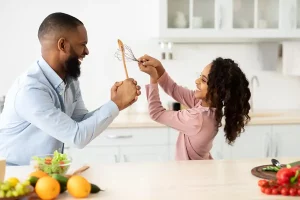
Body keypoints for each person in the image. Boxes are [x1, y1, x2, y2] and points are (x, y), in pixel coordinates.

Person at [0, 12, 141, 166]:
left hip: (46, 175)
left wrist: (115, 102)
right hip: (14, 177)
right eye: (82, 44)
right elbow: (77, 137)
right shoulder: (31, 90)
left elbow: (78, 121)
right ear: (62, 45)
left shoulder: (70, 80)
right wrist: (117, 103)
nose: (87, 51)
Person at [138, 55, 251, 160]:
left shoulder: (197, 118)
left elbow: (156, 113)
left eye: (203, 80)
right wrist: (158, 67)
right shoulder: (210, 107)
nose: (196, 81)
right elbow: (173, 89)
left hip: (191, 177)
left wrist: (153, 78)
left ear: (217, 90)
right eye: (200, 77)